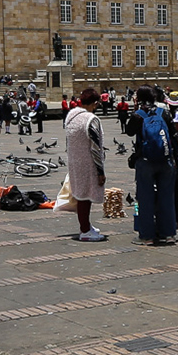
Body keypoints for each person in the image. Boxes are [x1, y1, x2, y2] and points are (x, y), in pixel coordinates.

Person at [126, 88, 177, 245]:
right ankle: (168, 234)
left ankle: (146, 236)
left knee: (145, 198)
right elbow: (173, 135)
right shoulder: (164, 113)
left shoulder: (138, 115)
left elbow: (129, 132)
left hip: (146, 161)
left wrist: (136, 110)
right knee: (167, 197)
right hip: (166, 160)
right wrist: (175, 160)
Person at [63, 87, 108, 241]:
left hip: (74, 160)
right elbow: (95, 147)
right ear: (94, 103)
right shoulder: (91, 119)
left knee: (81, 193)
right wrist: (100, 171)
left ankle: (86, 225)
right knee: (85, 196)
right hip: (87, 162)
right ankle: (85, 231)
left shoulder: (71, 116)